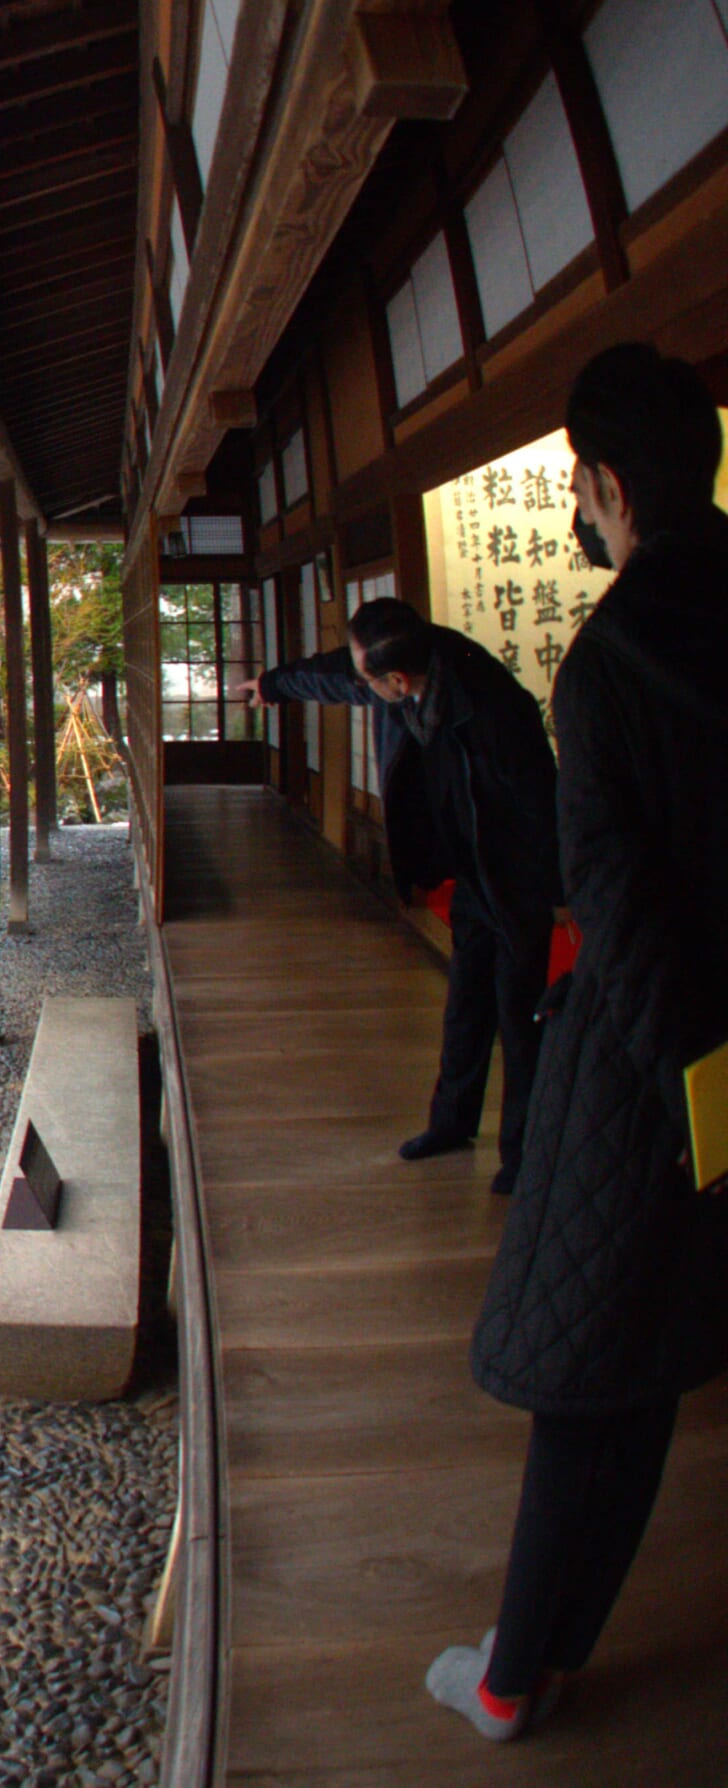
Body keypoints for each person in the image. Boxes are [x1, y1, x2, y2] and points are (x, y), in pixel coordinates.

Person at [426, 342, 728, 1741]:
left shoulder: (607, 665)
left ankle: (512, 1677)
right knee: (657, 1352)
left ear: (607, 486)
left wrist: (697, 1095)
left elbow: (614, 901)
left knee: (586, 1371)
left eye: (579, 490)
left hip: (653, 1069)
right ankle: (544, 1650)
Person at [234, 596, 560, 1189]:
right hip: (470, 870)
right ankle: (451, 1123)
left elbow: (541, 805)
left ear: (397, 680)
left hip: (516, 878)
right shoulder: (407, 663)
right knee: (465, 1007)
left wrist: (558, 890)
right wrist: (275, 684)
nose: (360, 680)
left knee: (519, 1020)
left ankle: (524, 1155)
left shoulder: (492, 707)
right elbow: (338, 671)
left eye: (369, 678)